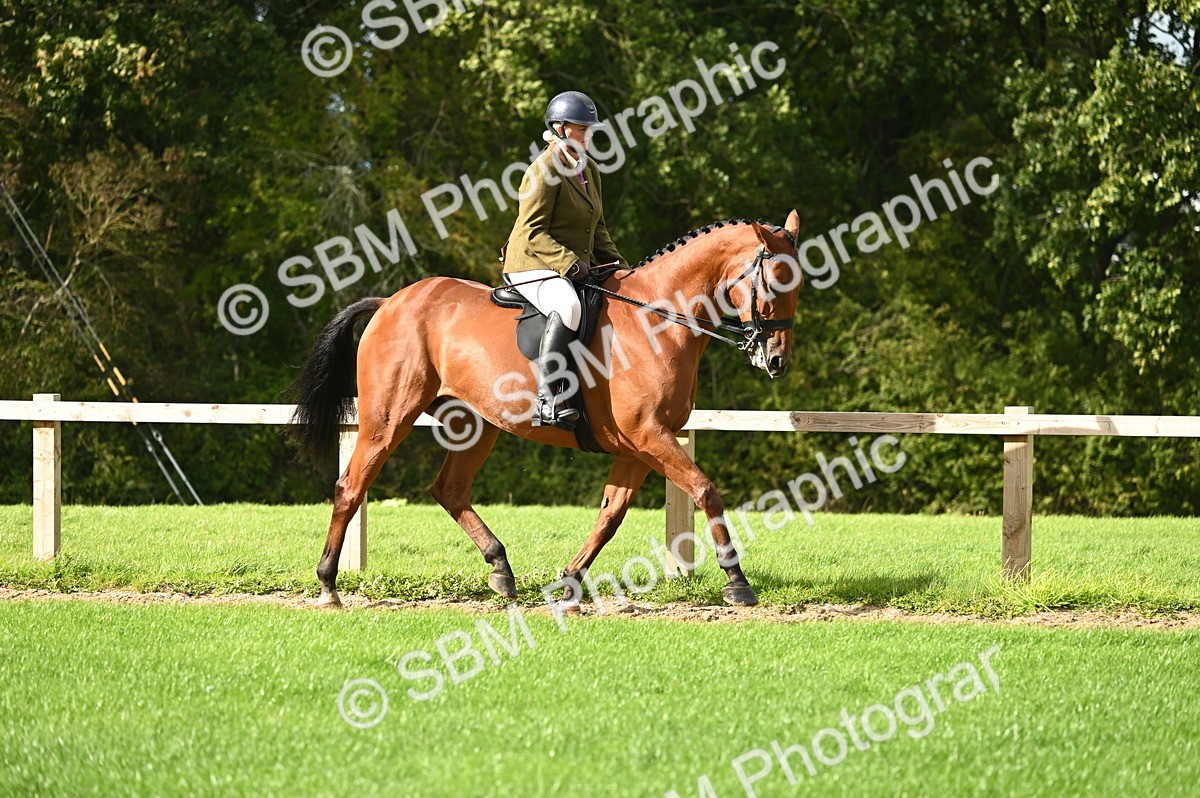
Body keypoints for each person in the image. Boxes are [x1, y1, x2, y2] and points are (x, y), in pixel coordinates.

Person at [502, 90, 627, 429]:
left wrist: (620, 268)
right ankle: (546, 397)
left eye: (589, 128)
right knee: (569, 306)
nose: (587, 134)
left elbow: (597, 227)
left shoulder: (590, 170)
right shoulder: (542, 170)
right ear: (558, 128)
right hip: (532, 264)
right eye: (580, 128)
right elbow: (532, 232)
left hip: (567, 265)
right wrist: (569, 263)